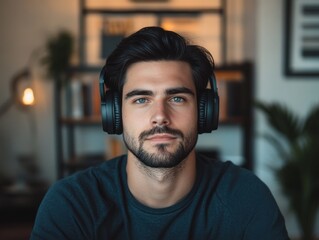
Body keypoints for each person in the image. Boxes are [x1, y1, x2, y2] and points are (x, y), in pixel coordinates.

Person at [31, 26, 289, 239]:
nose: (160, 117)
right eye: (141, 99)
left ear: (204, 111)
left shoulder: (246, 199)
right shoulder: (72, 205)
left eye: (177, 98)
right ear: (115, 114)